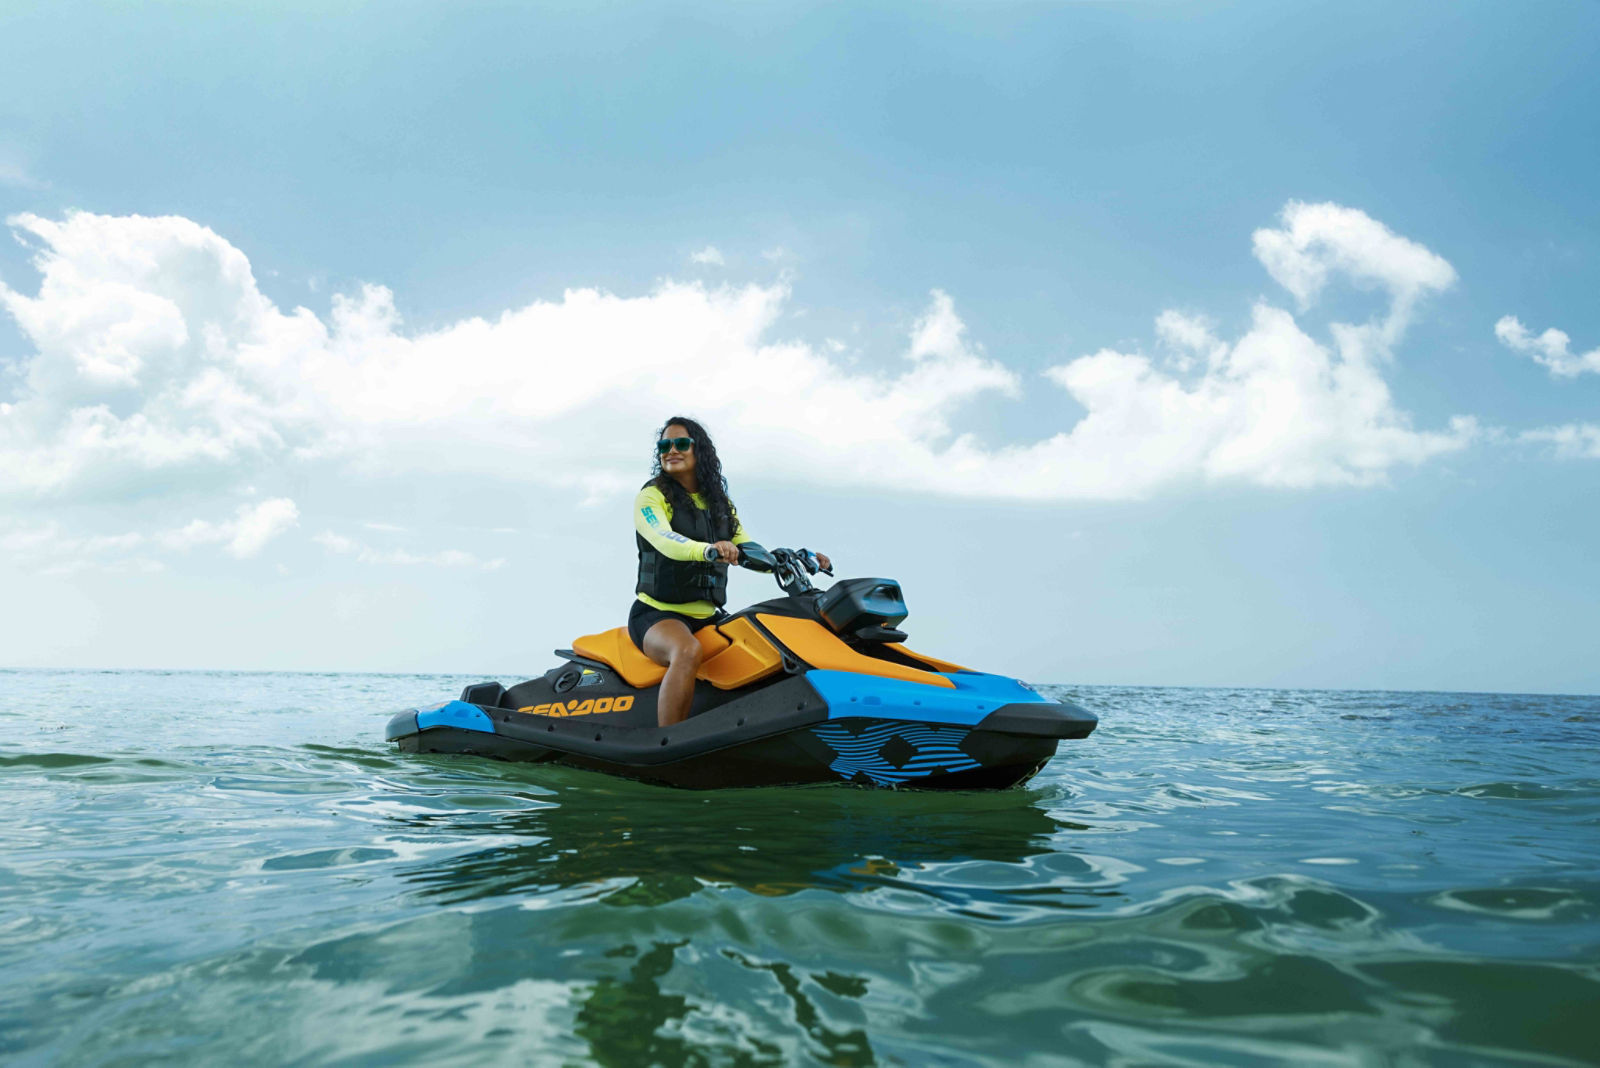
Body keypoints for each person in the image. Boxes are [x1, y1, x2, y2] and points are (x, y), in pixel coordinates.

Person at [631, 416, 828, 727]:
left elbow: (747, 549)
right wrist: (708, 549)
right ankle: (669, 739)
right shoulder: (652, 496)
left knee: (765, 643)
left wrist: (792, 559)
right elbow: (663, 540)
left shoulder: (720, 503)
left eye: (681, 443)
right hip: (657, 614)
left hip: (708, 615)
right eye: (664, 445)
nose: (671, 450)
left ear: (700, 451)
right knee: (686, 650)